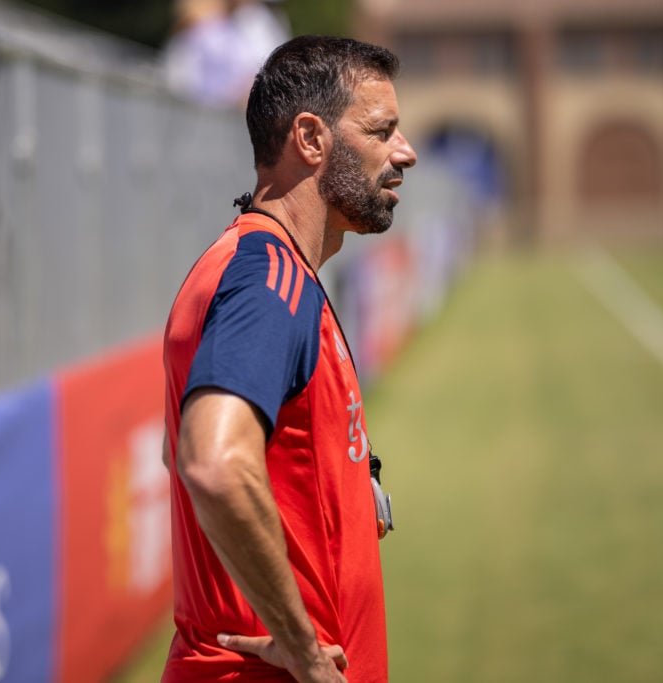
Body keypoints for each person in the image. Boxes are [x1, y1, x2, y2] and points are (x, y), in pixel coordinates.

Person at [161, 35, 418, 683]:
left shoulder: (256, 267)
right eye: (381, 130)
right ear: (310, 138)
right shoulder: (269, 277)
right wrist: (304, 650)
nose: (404, 152)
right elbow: (213, 463)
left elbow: (184, 452)